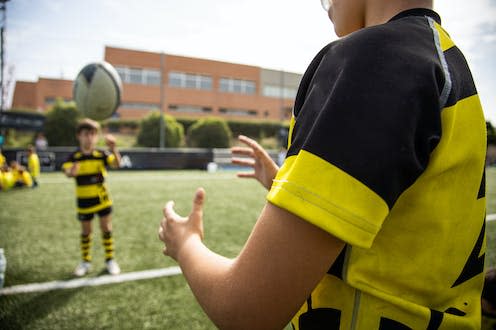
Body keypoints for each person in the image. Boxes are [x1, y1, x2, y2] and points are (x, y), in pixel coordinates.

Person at [158, 1, 487, 329]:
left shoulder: (376, 58)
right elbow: (408, 221)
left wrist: (185, 243)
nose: (326, 5)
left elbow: (246, 311)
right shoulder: (449, 62)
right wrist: (290, 185)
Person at [62, 118, 122, 276]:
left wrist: (114, 148)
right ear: (79, 136)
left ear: (96, 137)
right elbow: (67, 171)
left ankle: (110, 260)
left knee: (106, 229)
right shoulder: (74, 157)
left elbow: (117, 164)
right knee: (86, 232)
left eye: (92, 134)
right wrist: (71, 172)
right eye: (86, 134)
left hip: (102, 200)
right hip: (84, 202)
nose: (89, 137)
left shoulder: (101, 154)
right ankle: (85, 262)